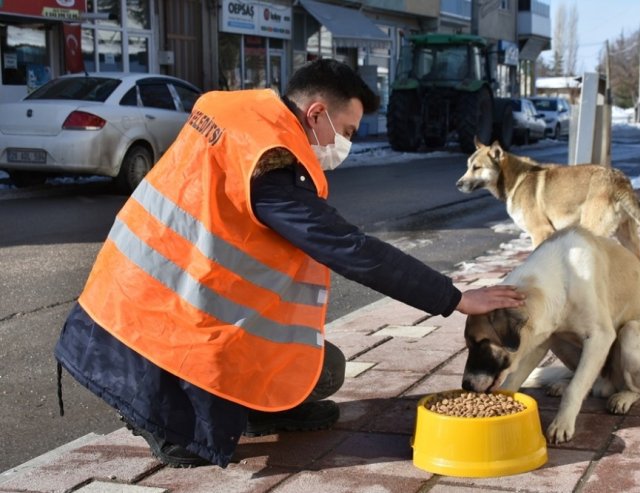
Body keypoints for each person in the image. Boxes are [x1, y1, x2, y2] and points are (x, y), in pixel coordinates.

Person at [54, 59, 525, 469]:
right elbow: (352, 250)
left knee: (324, 371)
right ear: (316, 113)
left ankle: (255, 408)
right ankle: (148, 411)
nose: (346, 146)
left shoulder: (239, 117)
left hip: (147, 300)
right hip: (156, 332)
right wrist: (455, 297)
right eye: (347, 132)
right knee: (193, 447)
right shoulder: (269, 161)